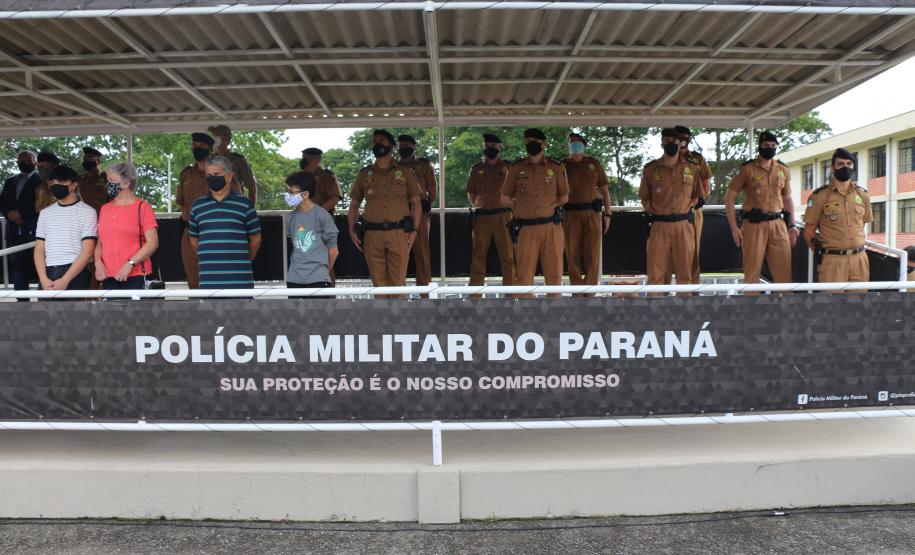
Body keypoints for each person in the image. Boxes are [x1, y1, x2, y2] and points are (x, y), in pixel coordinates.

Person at [348, 129, 422, 288]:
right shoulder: (364, 173)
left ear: (391, 146)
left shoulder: (405, 172)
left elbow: (416, 202)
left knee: (398, 283)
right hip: (372, 235)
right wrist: (351, 230)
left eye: (381, 141)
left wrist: (415, 230)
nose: (377, 144)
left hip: (399, 233)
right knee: (378, 284)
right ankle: (382, 314)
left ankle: (398, 313)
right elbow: (354, 205)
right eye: (374, 141)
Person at [725, 131, 798, 286]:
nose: (770, 148)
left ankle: (784, 306)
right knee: (752, 274)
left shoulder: (783, 170)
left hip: (778, 224)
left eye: (773, 146)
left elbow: (787, 198)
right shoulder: (747, 169)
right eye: (766, 145)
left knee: (784, 273)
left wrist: (792, 225)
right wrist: (733, 228)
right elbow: (729, 197)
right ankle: (751, 308)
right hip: (753, 225)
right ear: (760, 147)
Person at [501, 128, 569, 287]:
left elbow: (564, 198)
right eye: (528, 142)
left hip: (551, 227)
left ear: (544, 144)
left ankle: (554, 310)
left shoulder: (556, 167)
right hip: (526, 229)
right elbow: (504, 198)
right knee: (523, 277)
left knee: (554, 275)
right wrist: (520, 207)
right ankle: (525, 310)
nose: (531, 145)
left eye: (535, 142)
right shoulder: (516, 168)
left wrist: (548, 206)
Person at [639, 128, 703, 286]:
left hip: (683, 226)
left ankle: (686, 307)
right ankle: (656, 306)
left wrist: (690, 205)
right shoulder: (650, 169)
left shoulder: (692, 168)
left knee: (685, 273)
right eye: (667, 141)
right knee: (656, 273)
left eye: (674, 141)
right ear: (662, 143)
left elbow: (697, 195)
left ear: (679, 143)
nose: (670, 144)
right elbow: (644, 198)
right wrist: (655, 211)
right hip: (659, 226)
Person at [188, 156, 262, 290]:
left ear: (229, 176)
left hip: (240, 281)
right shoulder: (197, 206)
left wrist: (243, 261)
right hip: (208, 281)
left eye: (216, 174)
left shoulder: (245, 204)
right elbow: (193, 240)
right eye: (208, 175)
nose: (212, 178)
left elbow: (255, 239)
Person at [803, 148, 872, 284]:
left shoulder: (863, 195)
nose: (845, 167)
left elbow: (861, 225)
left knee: (859, 303)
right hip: (833, 261)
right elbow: (808, 233)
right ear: (833, 168)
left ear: (853, 167)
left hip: (860, 260)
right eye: (840, 164)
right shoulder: (819, 196)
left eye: (849, 164)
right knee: (832, 303)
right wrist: (825, 253)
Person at [95, 162, 159, 290]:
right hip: (108, 277)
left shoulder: (143, 207)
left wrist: (130, 264)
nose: (108, 184)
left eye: (112, 180)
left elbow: (152, 243)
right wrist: (98, 264)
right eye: (107, 180)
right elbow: (100, 243)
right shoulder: (104, 209)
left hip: (136, 275)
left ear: (126, 183)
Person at [33, 165, 97, 293]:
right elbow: (39, 249)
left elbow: (88, 251)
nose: (56, 185)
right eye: (53, 182)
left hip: (76, 272)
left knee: (72, 313)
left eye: (62, 182)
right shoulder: (45, 213)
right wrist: (43, 278)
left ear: (73, 185)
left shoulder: (88, 212)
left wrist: (65, 279)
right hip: (48, 272)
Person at [561, 132, 611, 286]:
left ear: (583, 144)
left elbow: (605, 191)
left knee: (592, 253)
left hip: (592, 213)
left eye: (577, 141)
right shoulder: (562, 165)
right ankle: (576, 290)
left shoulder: (594, 164)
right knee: (572, 253)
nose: (574, 143)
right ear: (568, 145)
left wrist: (608, 214)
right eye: (572, 141)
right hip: (570, 214)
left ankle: (590, 289)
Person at [466, 133, 514, 286]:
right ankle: (475, 295)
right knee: (478, 255)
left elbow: (517, 191)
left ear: (499, 147)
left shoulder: (509, 167)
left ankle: (511, 294)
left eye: (493, 146)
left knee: (508, 256)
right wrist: (482, 205)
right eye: (487, 146)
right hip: (482, 217)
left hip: (504, 216)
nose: (489, 149)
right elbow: (471, 194)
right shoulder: (476, 168)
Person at [284, 171, 338, 289]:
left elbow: (334, 251)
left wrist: (323, 271)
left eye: (291, 192)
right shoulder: (290, 218)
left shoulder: (322, 216)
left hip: (319, 279)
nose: (288, 196)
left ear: (305, 194)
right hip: (294, 279)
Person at [0, 150, 42, 298]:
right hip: (13, 231)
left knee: (40, 266)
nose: (24, 164)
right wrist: (9, 213)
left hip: (33, 229)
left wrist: (21, 215)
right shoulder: (9, 181)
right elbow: (2, 201)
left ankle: (42, 299)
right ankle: (21, 302)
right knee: (17, 267)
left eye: (28, 161)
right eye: (21, 161)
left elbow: (39, 204)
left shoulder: (41, 181)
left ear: (35, 163)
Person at [176, 132, 216, 288]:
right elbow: (181, 202)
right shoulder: (186, 174)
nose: (196, 149)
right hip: (190, 231)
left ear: (210, 149)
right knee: (193, 280)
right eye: (194, 146)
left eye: (200, 146)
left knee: (215, 278)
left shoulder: (220, 174)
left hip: (214, 232)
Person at [674, 125, 712, 284]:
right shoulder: (667, 159)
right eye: (679, 137)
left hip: (692, 213)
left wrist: (691, 201)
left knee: (693, 251)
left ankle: (692, 290)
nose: (683, 140)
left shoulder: (698, 160)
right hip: (670, 214)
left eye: (685, 137)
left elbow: (706, 187)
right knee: (669, 255)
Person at [397, 134, 436, 287]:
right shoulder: (394, 167)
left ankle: (425, 292)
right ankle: (398, 290)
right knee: (398, 253)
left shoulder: (424, 166)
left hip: (420, 213)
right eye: (401, 146)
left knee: (422, 254)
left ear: (414, 146)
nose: (403, 148)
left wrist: (424, 205)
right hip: (399, 214)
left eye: (407, 145)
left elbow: (432, 191)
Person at [209, 124, 257, 205]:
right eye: (213, 135)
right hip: (213, 206)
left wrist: (250, 210)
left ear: (226, 139)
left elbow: (251, 186)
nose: (213, 138)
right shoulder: (209, 160)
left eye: (216, 136)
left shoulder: (238, 160)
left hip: (234, 205)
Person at [300, 148, 342, 214]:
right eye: (303, 158)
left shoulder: (326, 176)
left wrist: (316, 213)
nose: (304, 161)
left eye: (307, 158)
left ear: (317, 159)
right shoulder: (301, 177)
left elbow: (334, 199)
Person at [78, 146, 109, 213]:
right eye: (84, 158)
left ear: (98, 161)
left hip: (102, 216)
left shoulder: (106, 177)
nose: (85, 160)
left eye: (89, 157)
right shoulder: (79, 179)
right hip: (83, 217)